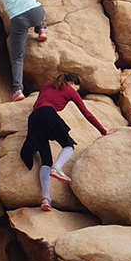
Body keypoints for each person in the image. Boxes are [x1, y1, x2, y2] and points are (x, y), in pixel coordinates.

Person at [19, 73, 117, 211]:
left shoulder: (47, 84)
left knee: (45, 158)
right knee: (68, 145)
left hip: (34, 118)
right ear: (72, 83)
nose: (75, 91)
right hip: (48, 113)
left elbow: (36, 104)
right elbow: (86, 113)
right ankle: (57, 168)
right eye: (77, 89)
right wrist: (103, 131)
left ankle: (46, 198)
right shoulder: (69, 90)